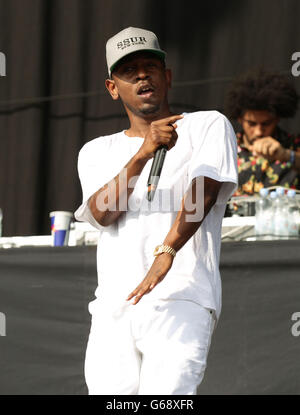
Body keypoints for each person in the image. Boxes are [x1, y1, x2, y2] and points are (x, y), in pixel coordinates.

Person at [75, 26, 238, 395]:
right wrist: (142, 154)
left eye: (150, 66)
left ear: (166, 77)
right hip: (113, 307)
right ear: (112, 88)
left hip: (180, 295)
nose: (142, 75)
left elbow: (205, 191)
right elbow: (102, 213)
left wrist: (168, 250)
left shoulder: (207, 124)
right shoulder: (95, 150)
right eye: (129, 72)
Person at [225, 68, 300, 196]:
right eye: (252, 124)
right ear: (239, 118)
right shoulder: (227, 148)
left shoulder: (293, 144)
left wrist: (287, 155)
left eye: (266, 123)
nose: (259, 131)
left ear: (277, 119)